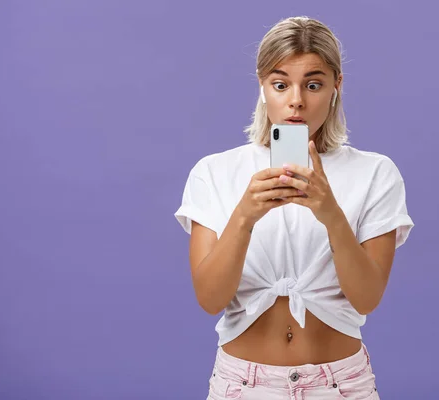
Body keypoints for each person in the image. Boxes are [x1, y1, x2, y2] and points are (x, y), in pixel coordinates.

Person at [174, 16, 414, 400]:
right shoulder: (214, 172)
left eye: (314, 84)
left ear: (337, 85)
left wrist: (330, 213)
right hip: (242, 386)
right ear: (262, 85)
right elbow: (209, 299)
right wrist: (244, 217)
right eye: (281, 84)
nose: (297, 100)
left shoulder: (375, 173)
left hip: (340, 386)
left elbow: (367, 298)